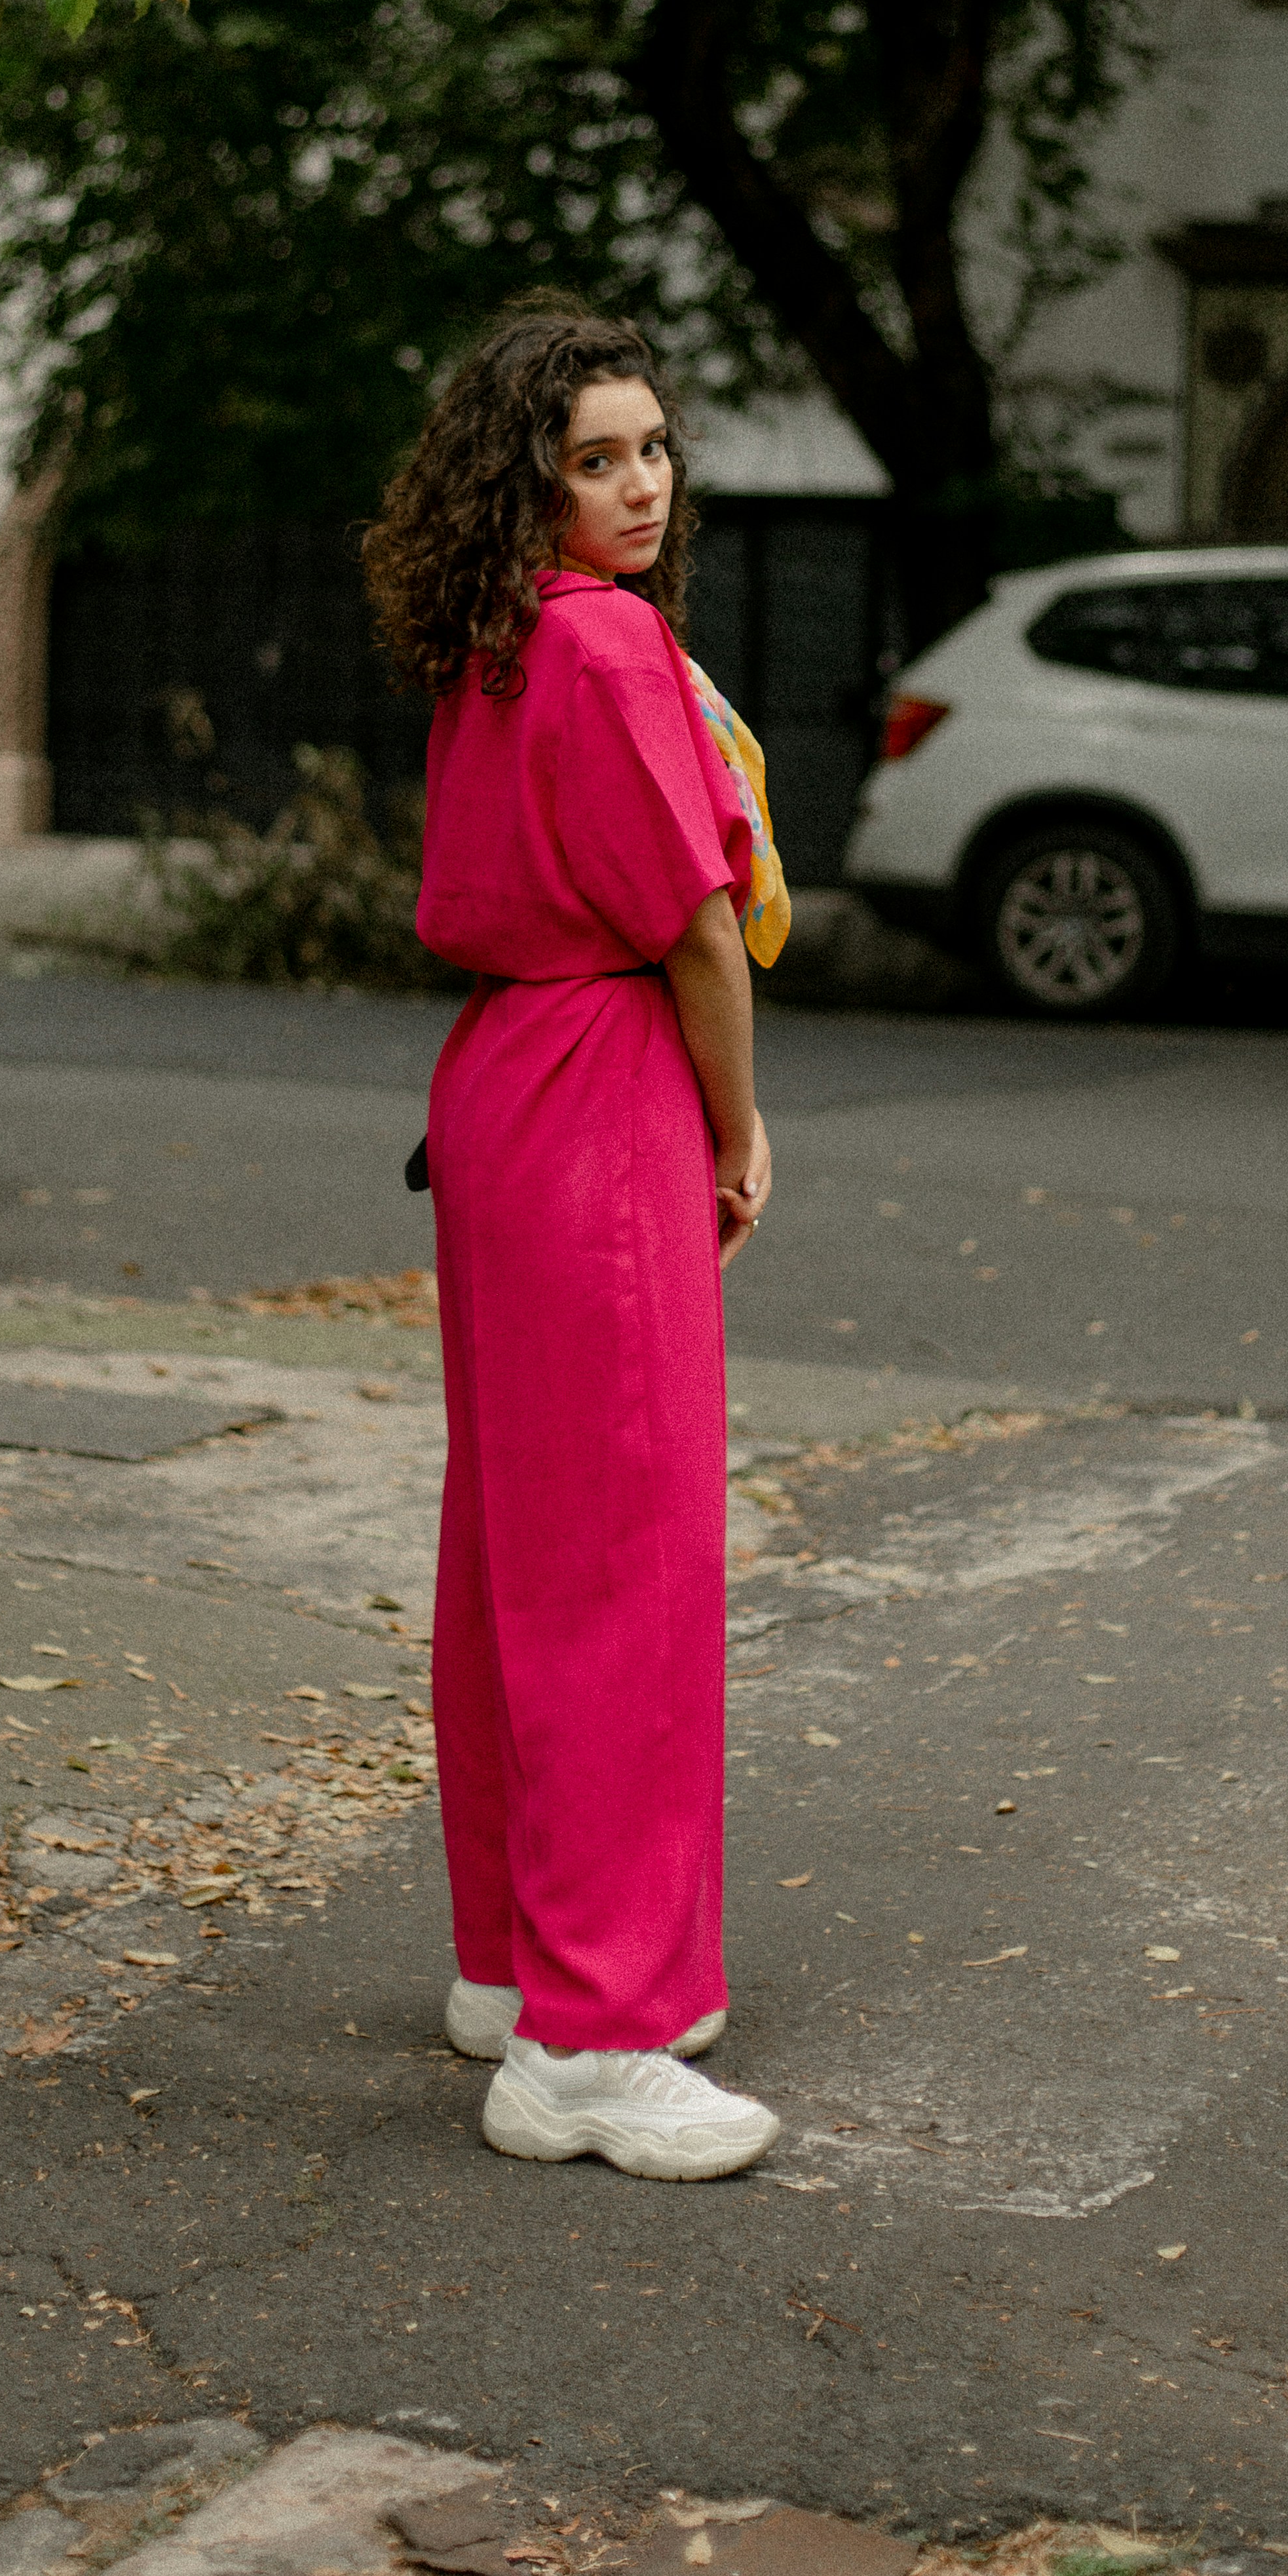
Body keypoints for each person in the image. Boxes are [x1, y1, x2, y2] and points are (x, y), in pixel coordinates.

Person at [364, 309, 791, 2180]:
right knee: (620, 1548)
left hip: (498, 1085)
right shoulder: (607, 637)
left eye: (651, 449)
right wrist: (741, 1122)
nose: (638, 484)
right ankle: (593, 2039)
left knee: (517, 1538)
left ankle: (513, 1960)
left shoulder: (492, 639)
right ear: (530, 482)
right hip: (602, 1077)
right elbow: (698, 927)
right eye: (596, 458)